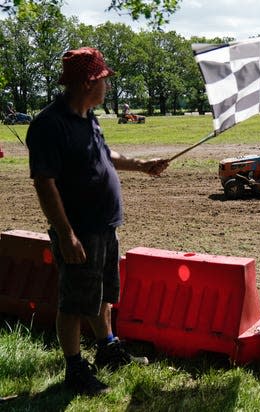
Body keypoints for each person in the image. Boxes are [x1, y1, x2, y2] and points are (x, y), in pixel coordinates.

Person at [26, 47, 169, 396]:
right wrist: (66, 235)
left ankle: (107, 347)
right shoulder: (49, 124)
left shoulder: (90, 118)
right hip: (78, 229)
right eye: (104, 78)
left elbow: (105, 156)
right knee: (74, 302)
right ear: (89, 82)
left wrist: (142, 165)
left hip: (105, 224)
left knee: (101, 294)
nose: (108, 85)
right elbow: (44, 183)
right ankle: (75, 369)